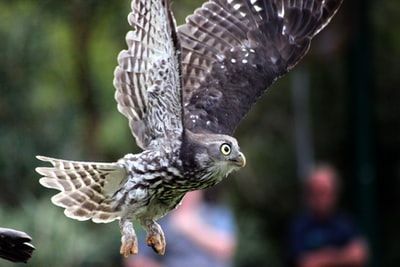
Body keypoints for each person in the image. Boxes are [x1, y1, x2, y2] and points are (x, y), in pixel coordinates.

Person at [125, 188, 236, 267]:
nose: (186, 194)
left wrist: (192, 228)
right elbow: (135, 259)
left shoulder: (215, 213)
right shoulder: (161, 221)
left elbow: (225, 247)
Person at [288, 165, 368, 267]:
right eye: (315, 192)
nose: (320, 198)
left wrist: (323, 257)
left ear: (335, 194)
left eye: (324, 192)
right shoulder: (299, 226)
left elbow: (359, 255)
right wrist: (343, 255)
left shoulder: (345, 223)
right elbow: (306, 263)